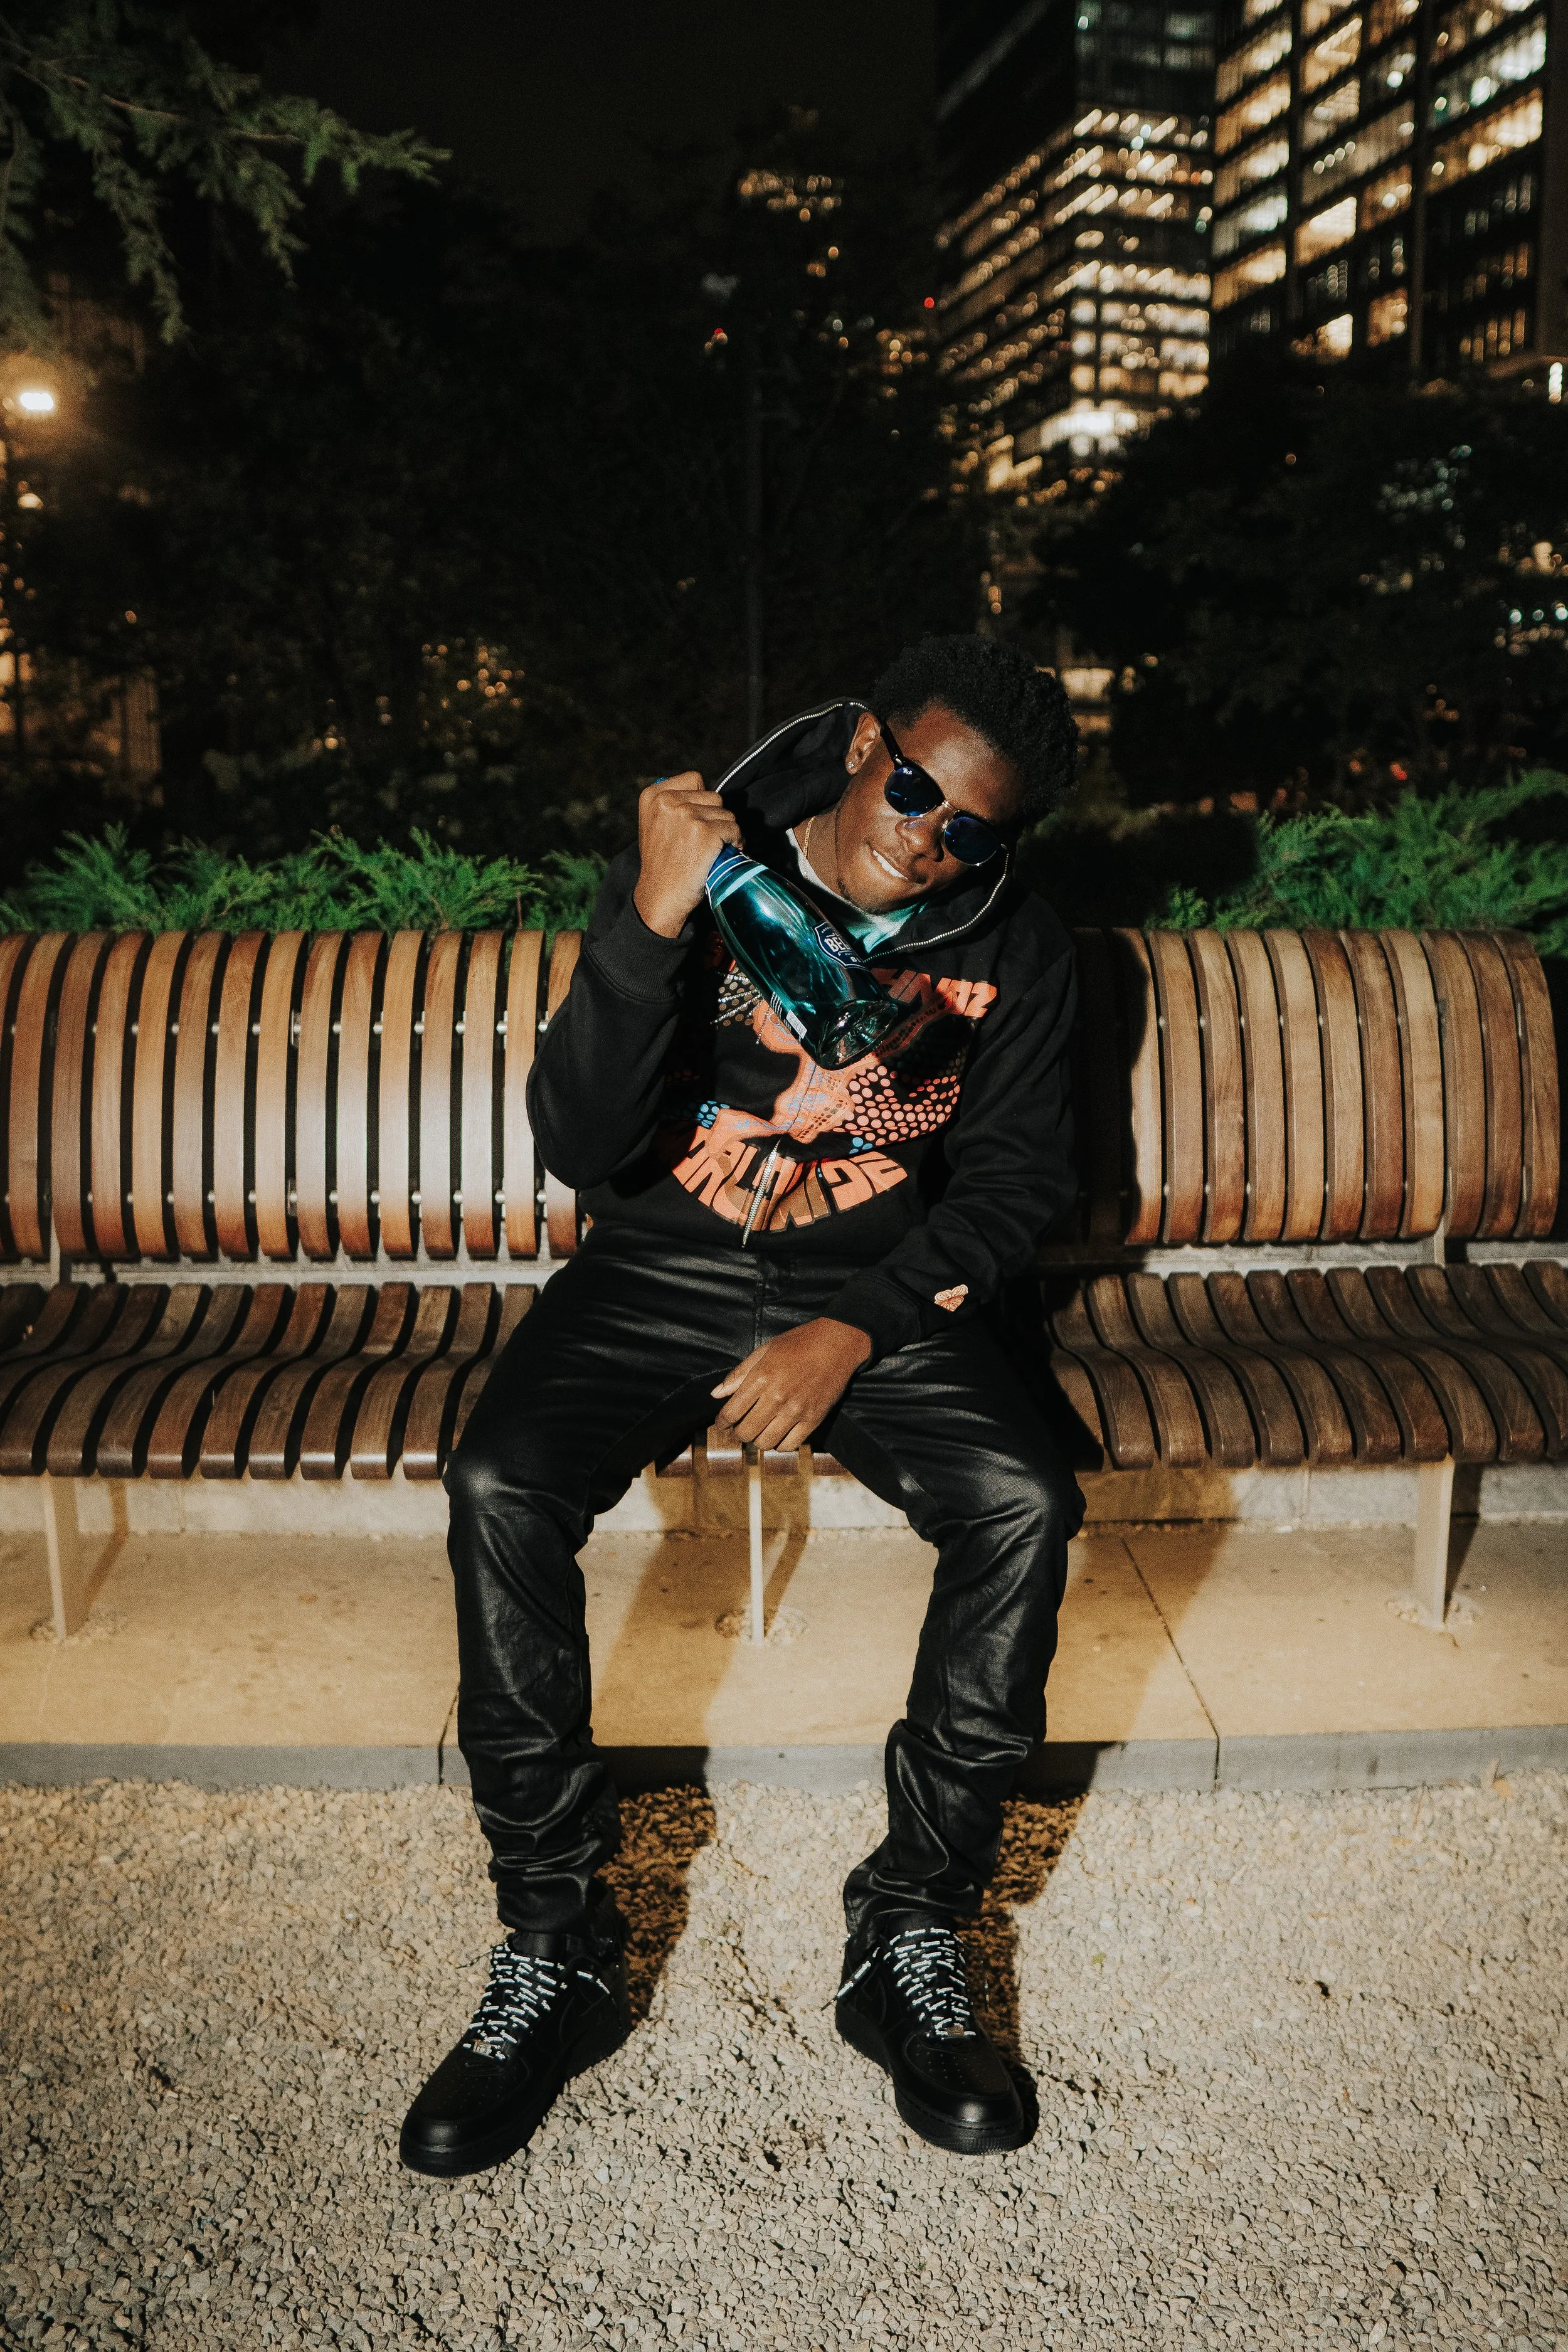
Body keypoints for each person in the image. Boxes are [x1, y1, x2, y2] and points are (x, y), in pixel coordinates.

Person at [400, 634, 1082, 2176]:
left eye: (971, 830)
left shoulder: (1017, 946)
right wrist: (649, 919)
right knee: (500, 1481)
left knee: (1022, 1501)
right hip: (659, 1264)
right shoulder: (698, 867)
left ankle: (909, 1924)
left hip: (871, 1284)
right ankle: (556, 1942)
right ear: (863, 746)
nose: (929, 838)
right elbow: (582, 1145)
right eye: (915, 791)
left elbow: (1017, 1183)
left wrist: (853, 1327)